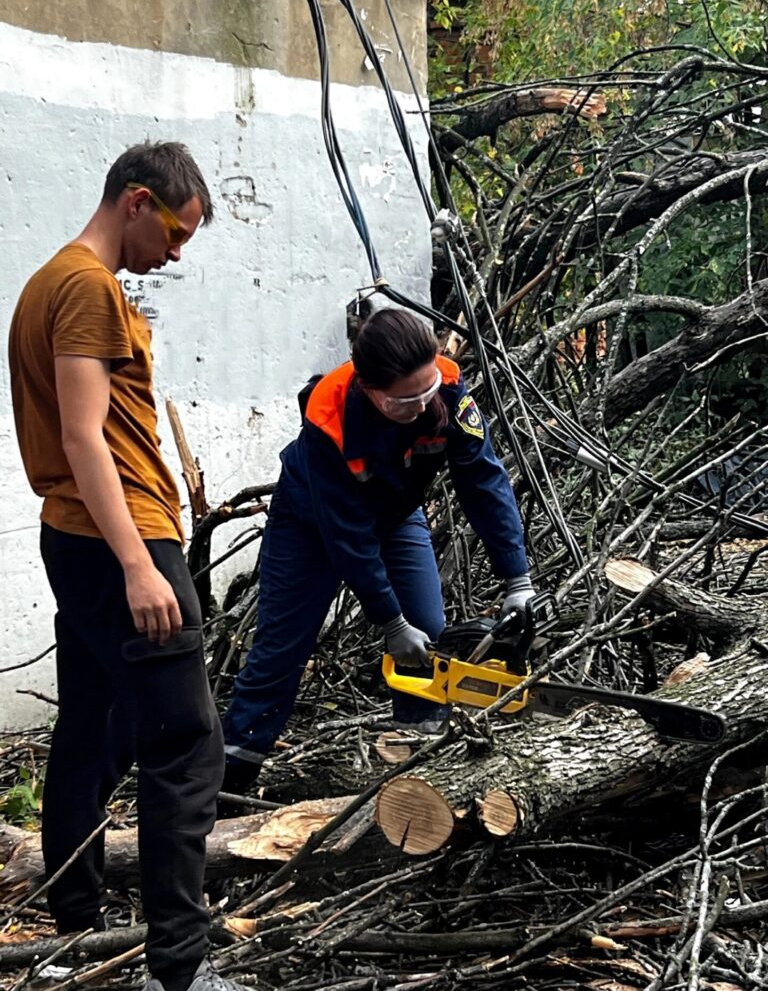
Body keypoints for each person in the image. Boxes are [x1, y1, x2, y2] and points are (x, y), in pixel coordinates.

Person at [8, 142, 244, 991]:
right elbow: (82, 436)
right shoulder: (86, 287)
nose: (176, 254)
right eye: (176, 232)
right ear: (136, 200)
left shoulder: (46, 281)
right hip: (123, 541)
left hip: (77, 540)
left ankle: (73, 916)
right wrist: (142, 566)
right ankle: (178, 969)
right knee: (186, 745)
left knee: (93, 726)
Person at [221, 308, 534, 792]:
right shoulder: (329, 417)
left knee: (427, 631)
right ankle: (229, 784)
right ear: (369, 388)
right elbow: (347, 537)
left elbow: (484, 481)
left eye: (428, 391)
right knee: (279, 654)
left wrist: (518, 580)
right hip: (312, 523)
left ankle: (420, 762)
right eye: (406, 401)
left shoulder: (447, 387)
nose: (422, 405)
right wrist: (389, 622)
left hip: (395, 513)